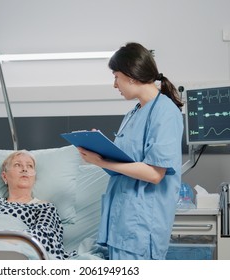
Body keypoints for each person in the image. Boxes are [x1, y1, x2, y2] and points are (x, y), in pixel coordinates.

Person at [77, 42, 184, 260]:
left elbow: (155, 174)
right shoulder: (134, 113)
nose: (114, 84)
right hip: (123, 223)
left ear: (131, 76)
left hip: (142, 228)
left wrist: (102, 162)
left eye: (116, 76)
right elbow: (126, 164)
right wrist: (100, 150)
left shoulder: (165, 112)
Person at [0, 150, 76, 260]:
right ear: (4, 176)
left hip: (11, 249)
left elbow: (45, 238)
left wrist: (0, 240)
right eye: (17, 165)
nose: (24, 169)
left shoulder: (44, 207)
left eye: (30, 166)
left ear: (34, 178)